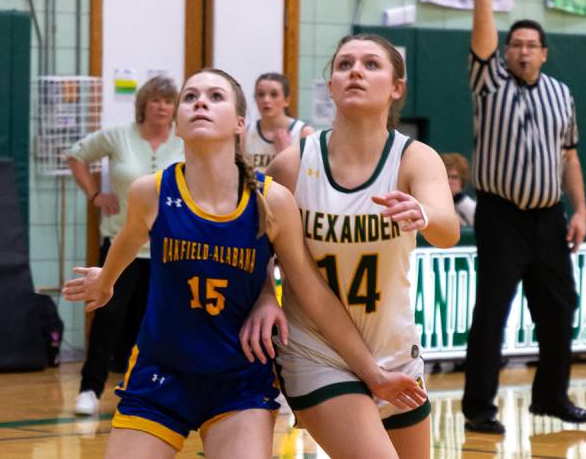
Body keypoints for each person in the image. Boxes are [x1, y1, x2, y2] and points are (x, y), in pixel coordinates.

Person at [63, 68, 427, 459]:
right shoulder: (150, 192)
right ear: (178, 126)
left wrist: (372, 374)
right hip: (160, 373)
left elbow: (312, 292)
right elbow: (128, 241)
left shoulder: (271, 201)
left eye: (215, 96)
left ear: (240, 123)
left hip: (238, 382)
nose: (200, 102)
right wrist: (106, 281)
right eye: (191, 97)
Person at [256, 34, 460, 458]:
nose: (355, 72)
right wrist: (263, 296)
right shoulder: (292, 164)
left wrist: (422, 212)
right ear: (330, 85)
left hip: (394, 350)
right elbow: (260, 253)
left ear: (396, 87)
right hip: (316, 352)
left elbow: (447, 230)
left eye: (371, 64)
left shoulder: (415, 159)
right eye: (345, 64)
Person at [461, 0, 586, 434]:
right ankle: (479, 408)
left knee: (560, 309)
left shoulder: (562, 94)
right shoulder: (488, 82)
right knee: (491, 312)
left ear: (544, 53)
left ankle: (551, 398)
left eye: (530, 45)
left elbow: (570, 156)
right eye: (514, 44)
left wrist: (579, 210)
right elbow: (482, 18)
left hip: (548, 216)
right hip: (500, 215)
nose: (520, 51)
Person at [66, 75, 183, 416]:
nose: (162, 106)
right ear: (143, 104)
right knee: (108, 318)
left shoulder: (183, 142)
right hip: (122, 247)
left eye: (168, 101)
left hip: (168, 251)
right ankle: (89, 389)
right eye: (155, 100)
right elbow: (76, 155)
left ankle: (145, 391)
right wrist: (95, 195)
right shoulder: (119, 136)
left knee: (156, 323)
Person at [244, 72, 313, 171]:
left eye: (274, 94)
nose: (266, 100)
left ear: (287, 101)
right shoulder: (245, 133)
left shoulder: (304, 132)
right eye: (261, 94)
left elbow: (310, 178)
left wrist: (285, 154)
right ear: (255, 99)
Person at [441, 152, 476, 226]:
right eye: (445, 176)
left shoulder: (469, 204)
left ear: (462, 181)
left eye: (454, 177)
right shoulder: (430, 201)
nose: (449, 181)